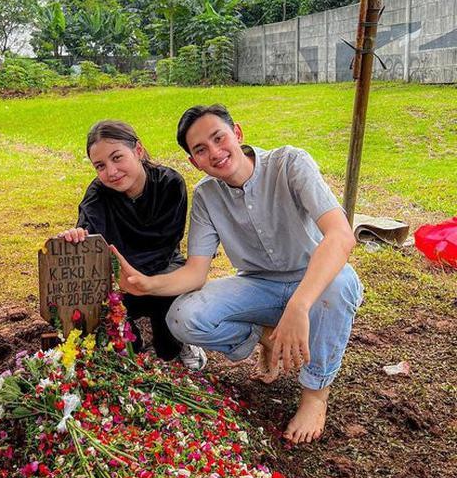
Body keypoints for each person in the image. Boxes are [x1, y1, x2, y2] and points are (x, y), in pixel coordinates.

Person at [113, 104, 363, 444]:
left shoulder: (289, 163)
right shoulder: (205, 196)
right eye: (201, 149)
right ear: (194, 162)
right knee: (183, 318)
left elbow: (340, 236)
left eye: (219, 138)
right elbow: (196, 273)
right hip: (258, 283)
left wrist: (299, 305)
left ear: (238, 134)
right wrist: (148, 284)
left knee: (340, 286)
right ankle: (267, 338)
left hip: (316, 278)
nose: (215, 152)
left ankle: (315, 395)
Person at [57, 119, 206, 371]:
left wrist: (137, 278)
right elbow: (89, 234)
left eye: (117, 158)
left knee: (167, 343)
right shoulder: (98, 194)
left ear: (137, 150)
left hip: (162, 267)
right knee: (120, 340)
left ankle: (178, 341)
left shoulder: (170, 184)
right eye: (100, 166)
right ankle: (129, 335)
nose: (111, 171)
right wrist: (76, 237)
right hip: (120, 277)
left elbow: (167, 243)